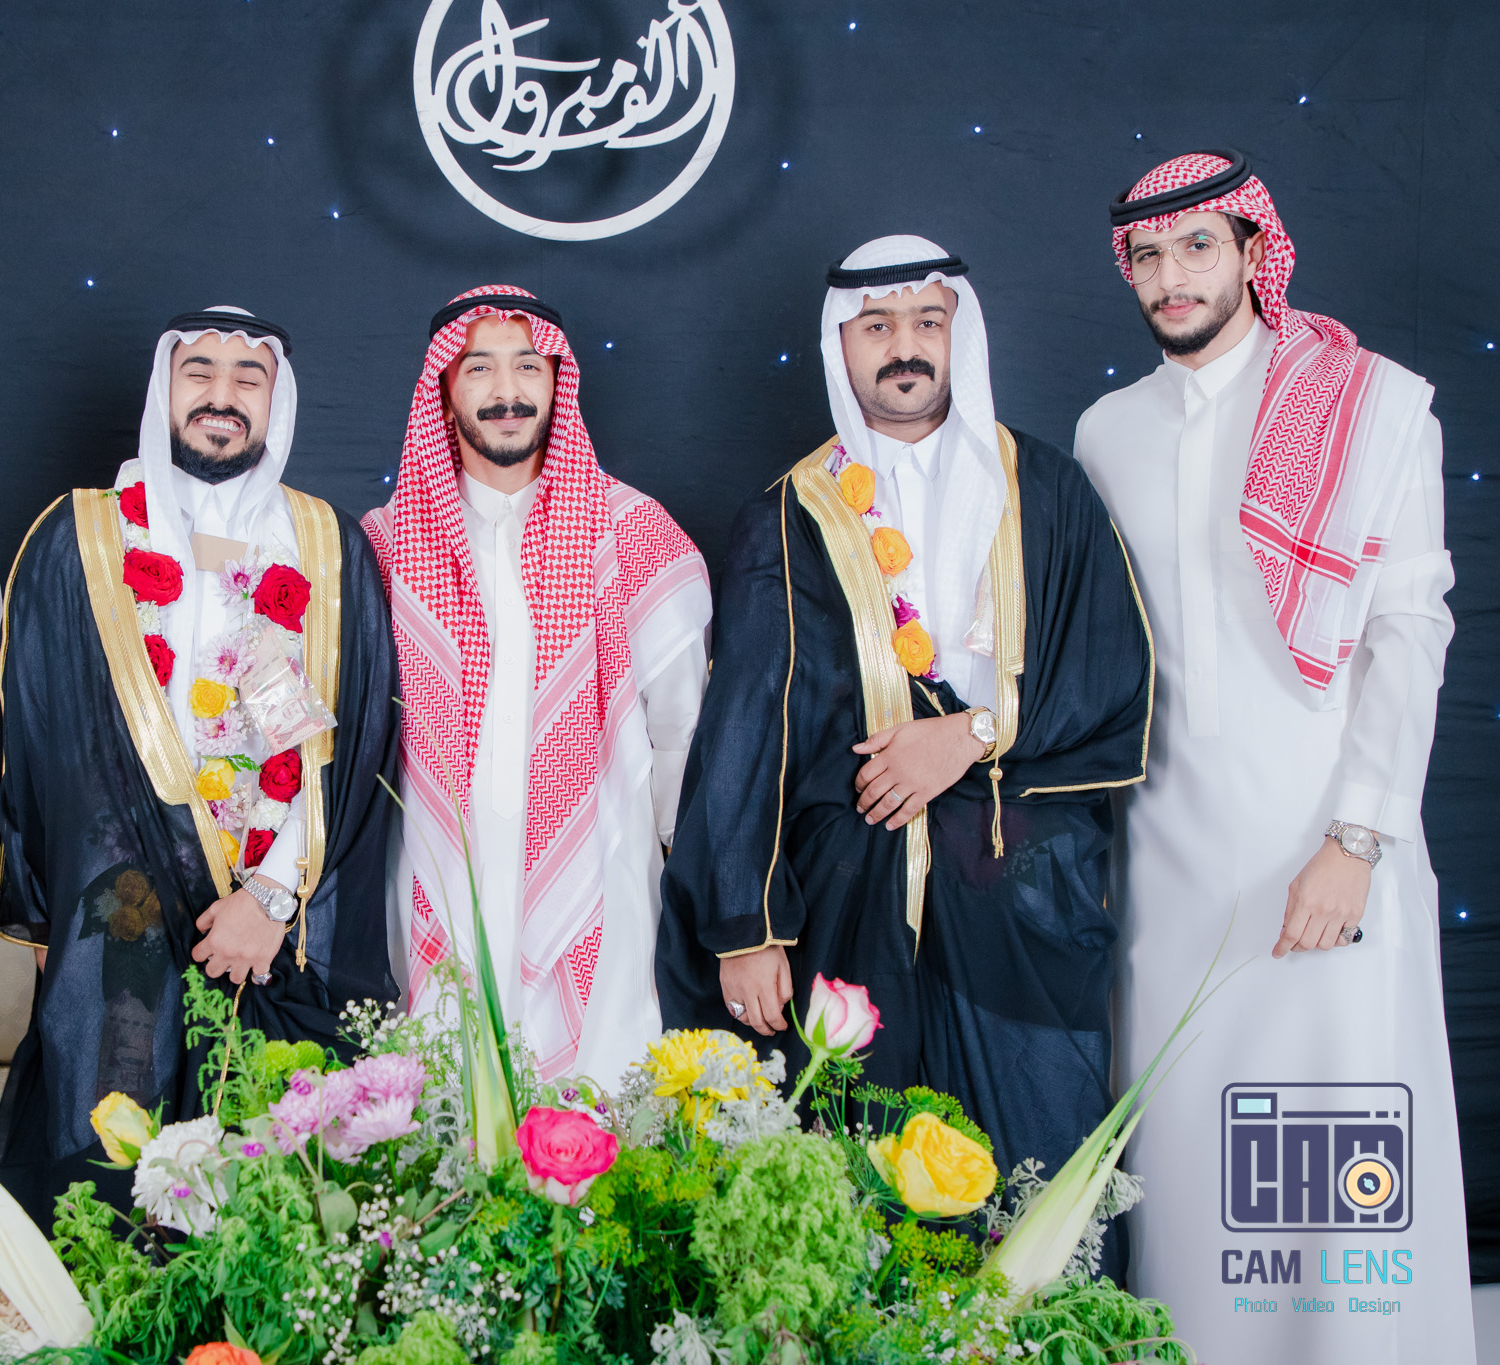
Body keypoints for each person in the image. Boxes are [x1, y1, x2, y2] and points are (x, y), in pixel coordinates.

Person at [1076, 149, 1471, 1358]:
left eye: (1198, 245)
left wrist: (1355, 839)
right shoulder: (1105, 433)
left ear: (1254, 250)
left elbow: (1408, 632)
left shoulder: (1372, 408)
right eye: (1145, 254)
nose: (1171, 276)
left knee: (1343, 1176)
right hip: (1169, 872)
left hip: (1329, 849)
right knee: (1196, 1183)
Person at [660, 237, 1152, 1191]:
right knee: (857, 1180)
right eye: (876, 325)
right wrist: (748, 925)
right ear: (840, 346)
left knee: (1036, 1176)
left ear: (961, 332)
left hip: (1021, 900)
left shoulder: (1048, 492)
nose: (905, 346)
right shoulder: (789, 515)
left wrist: (967, 736)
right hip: (847, 904)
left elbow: (1109, 676)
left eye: (928, 321)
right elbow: (745, 731)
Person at [0, 307, 400, 1225]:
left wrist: (274, 897)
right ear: (163, 389)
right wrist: (67, 915)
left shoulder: (327, 545)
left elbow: (358, 745)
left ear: (276, 401)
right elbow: (40, 739)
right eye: (200, 373)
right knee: (110, 1193)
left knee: (272, 1201)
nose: (223, 396)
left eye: (249, 378)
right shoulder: (81, 539)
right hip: (121, 931)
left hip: (269, 930)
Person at [363, 285, 712, 1089]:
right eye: (479, 368)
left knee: (596, 1107)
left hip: (601, 869)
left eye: (527, 366)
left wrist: (701, 890)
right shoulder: (384, 542)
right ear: (445, 388)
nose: (507, 391)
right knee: (441, 1101)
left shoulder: (633, 531)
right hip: (432, 867)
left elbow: (681, 735)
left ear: (557, 381)